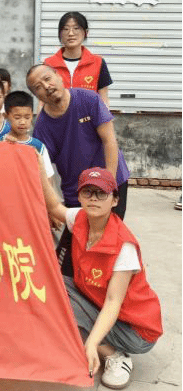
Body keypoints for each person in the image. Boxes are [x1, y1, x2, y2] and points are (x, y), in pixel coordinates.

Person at [38, 167, 162, 390]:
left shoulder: (124, 247)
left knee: (61, 309)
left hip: (136, 330)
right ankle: (89, 339)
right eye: (87, 192)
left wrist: (93, 342)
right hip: (99, 302)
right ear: (79, 197)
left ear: (115, 200)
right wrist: (37, 162)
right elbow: (54, 207)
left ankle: (114, 356)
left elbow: (114, 302)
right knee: (45, 285)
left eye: (101, 193)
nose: (93, 198)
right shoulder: (80, 218)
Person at [28, 64, 130, 277]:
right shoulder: (43, 126)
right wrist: (50, 206)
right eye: (38, 87)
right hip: (76, 194)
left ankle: (107, 291)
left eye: (47, 78)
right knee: (68, 259)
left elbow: (110, 141)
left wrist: (109, 186)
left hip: (112, 182)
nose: (46, 86)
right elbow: (45, 169)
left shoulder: (88, 99)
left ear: (58, 76)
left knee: (106, 245)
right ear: (36, 95)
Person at [45, 11, 113, 107]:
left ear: (86, 32)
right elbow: (43, 101)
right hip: (58, 116)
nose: (71, 33)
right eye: (65, 29)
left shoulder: (98, 63)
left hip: (89, 116)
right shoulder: (49, 64)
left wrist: (105, 116)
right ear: (60, 34)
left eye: (76, 28)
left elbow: (104, 99)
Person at [3, 91, 54, 181]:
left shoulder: (39, 146)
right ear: (6, 116)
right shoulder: (1, 142)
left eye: (27, 117)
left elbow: (48, 177)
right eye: (17, 117)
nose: (22, 122)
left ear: (32, 116)